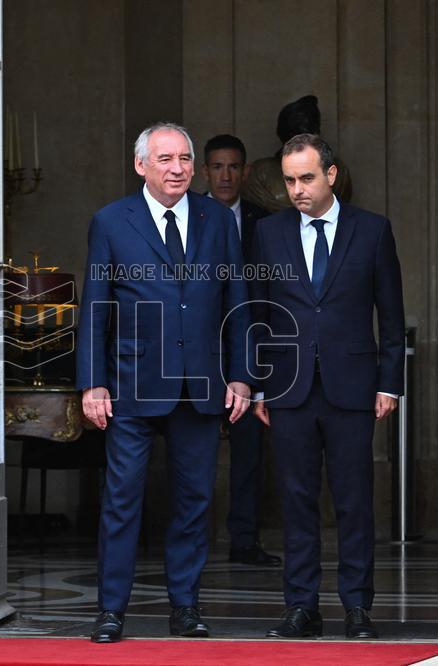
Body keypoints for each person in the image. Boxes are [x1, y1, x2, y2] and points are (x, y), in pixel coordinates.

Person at [77, 122, 252, 643]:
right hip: (131, 384)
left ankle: (186, 607)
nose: (177, 169)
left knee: (194, 501)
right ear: (141, 165)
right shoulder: (111, 221)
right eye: (165, 159)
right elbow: (95, 308)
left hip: (200, 384)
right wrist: (92, 383)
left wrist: (241, 376)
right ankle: (111, 611)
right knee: (122, 499)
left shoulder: (218, 220)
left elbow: (237, 301)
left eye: (183, 159)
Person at [249, 134, 403, 640]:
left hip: (354, 387)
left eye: (307, 178)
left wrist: (390, 383)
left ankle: (357, 607)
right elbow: (259, 314)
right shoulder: (268, 233)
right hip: (289, 388)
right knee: (295, 501)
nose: (297, 189)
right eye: (290, 180)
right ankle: (302, 607)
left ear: (330, 175)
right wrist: (259, 385)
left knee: (355, 500)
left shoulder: (372, 231)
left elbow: (392, 316)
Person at [201, 134, 280, 567]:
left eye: (234, 167)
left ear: (245, 172)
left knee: (249, 450)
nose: (226, 175)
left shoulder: (265, 222)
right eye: (217, 166)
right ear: (204, 172)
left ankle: (244, 540)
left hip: (250, 348)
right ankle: (191, 540)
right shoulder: (187, 214)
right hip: (196, 352)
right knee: (192, 448)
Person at [243, 95, 352, 212]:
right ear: (287, 133)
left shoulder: (339, 171)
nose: (314, 133)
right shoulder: (261, 172)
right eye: (304, 130)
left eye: (315, 127)